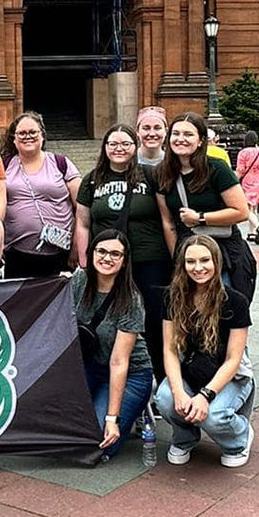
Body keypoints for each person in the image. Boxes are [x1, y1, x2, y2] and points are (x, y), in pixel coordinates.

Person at [75, 123, 173, 383]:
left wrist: (176, 257)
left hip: (148, 260)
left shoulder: (151, 175)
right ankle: (112, 376)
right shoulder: (93, 179)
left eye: (125, 143)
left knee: (153, 322)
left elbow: (166, 220)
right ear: (105, 148)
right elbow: (83, 223)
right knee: (109, 321)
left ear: (135, 146)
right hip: (107, 264)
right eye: (113, 144)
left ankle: (159, 381)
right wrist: (85, 262)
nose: (119, 149)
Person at [155, 233, 255, 467]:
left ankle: (239, 438)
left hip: (229, 376)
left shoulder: (235, 301)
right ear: (182, 264)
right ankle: (185, 438)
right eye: (191, 261)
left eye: (205, 260)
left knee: (213, 416)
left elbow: (233, 359)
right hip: (191, 370)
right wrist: (180, 392)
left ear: (216, 262)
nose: (198, 267)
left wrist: (205, 395)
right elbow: (169, 350)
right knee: (166, 399)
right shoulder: (172, 297)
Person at [70, 229, 153, 457]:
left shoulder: (131, 299)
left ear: (125, 261)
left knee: (97, 440)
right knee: (58, 421)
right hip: (91, 366)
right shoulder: (79, 279)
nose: (107, 258)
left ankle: (123, 413)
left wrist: (111, 418)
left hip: (131, 373)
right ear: (92, 252)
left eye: (116, 254)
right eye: (102, 251)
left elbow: (119, 362)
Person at [155, 111, 254, 301]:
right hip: (188, 251)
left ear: (200, 141)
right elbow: (167, 222)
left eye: (188, 134)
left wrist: (200, 218)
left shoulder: (217, 168)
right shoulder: (162, 173)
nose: (180, 139)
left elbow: (241, 211)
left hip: (222, 251)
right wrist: (178, 257)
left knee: (224, 307)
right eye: (176, 134)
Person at [0, 111, 81, 278]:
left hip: (60, 253)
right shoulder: (3, 165)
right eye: (22, 133)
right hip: (16, 254)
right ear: (14, 139)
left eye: (32, 132)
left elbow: (82, 207)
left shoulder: (61, 163)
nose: (27, 136)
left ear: (42, 136)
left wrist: (77, 246)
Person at [235, 132, 259, 243]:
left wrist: (233, 181)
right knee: (254, 208)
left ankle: (258, 227)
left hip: (249, 180)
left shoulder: (243, 153)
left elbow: (240, 170)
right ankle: (252, 233)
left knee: (246, 207)